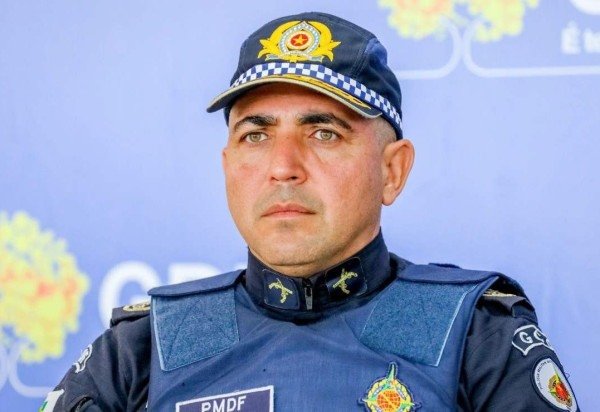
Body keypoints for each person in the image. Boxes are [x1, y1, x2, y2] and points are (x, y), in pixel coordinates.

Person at [43, 11, 578, 412]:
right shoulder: (143, 346)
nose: (283, 167)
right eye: (256, 136)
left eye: (324, 133)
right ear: (227, 166)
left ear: (392, 171)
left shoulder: (477, 337)